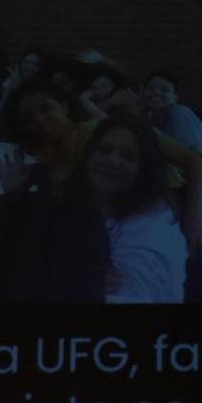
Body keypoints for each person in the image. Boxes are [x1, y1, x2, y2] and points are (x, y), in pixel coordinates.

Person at [0, 80, 202, 264]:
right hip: (122, 235)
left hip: (171, 208)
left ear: (64, 106)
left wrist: (194, 226)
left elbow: (195, 161)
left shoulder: (108, 131)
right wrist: (15, 192)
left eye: (45, 108)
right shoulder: (50, 168)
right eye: (29, 118)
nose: (39, 119)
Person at [75, 114, 187, 304]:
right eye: (104, 150)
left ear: (144, 169)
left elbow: (126, 297)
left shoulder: (152, 226)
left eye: (128, 156)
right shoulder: (92, 202)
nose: (112, 160)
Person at [141, 70, 202, 157]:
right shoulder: (149, 115)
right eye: (151, 88)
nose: (156, 92)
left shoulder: (179, 112)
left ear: (174, 97)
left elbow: (189, 154)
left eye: (164, 89)